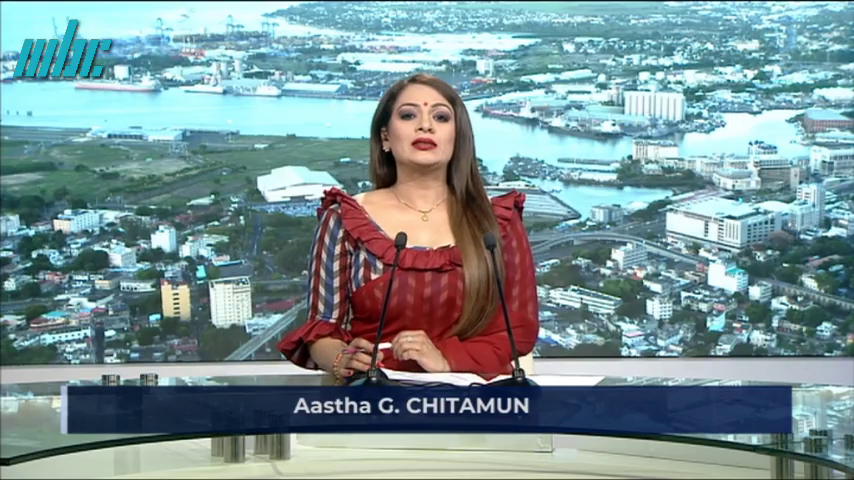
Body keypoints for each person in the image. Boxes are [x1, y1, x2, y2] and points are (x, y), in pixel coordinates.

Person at [277, 73, 538, 381]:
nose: (425, 125)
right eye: (408, 115)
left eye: (440, 117)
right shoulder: (344, 220)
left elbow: (518, 332)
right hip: (374, 397)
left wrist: (445, 359)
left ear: (458, 138)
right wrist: (340, 358)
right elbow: (322, 328)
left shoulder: (498, 223)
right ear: (385, 137)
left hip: (475, 400)